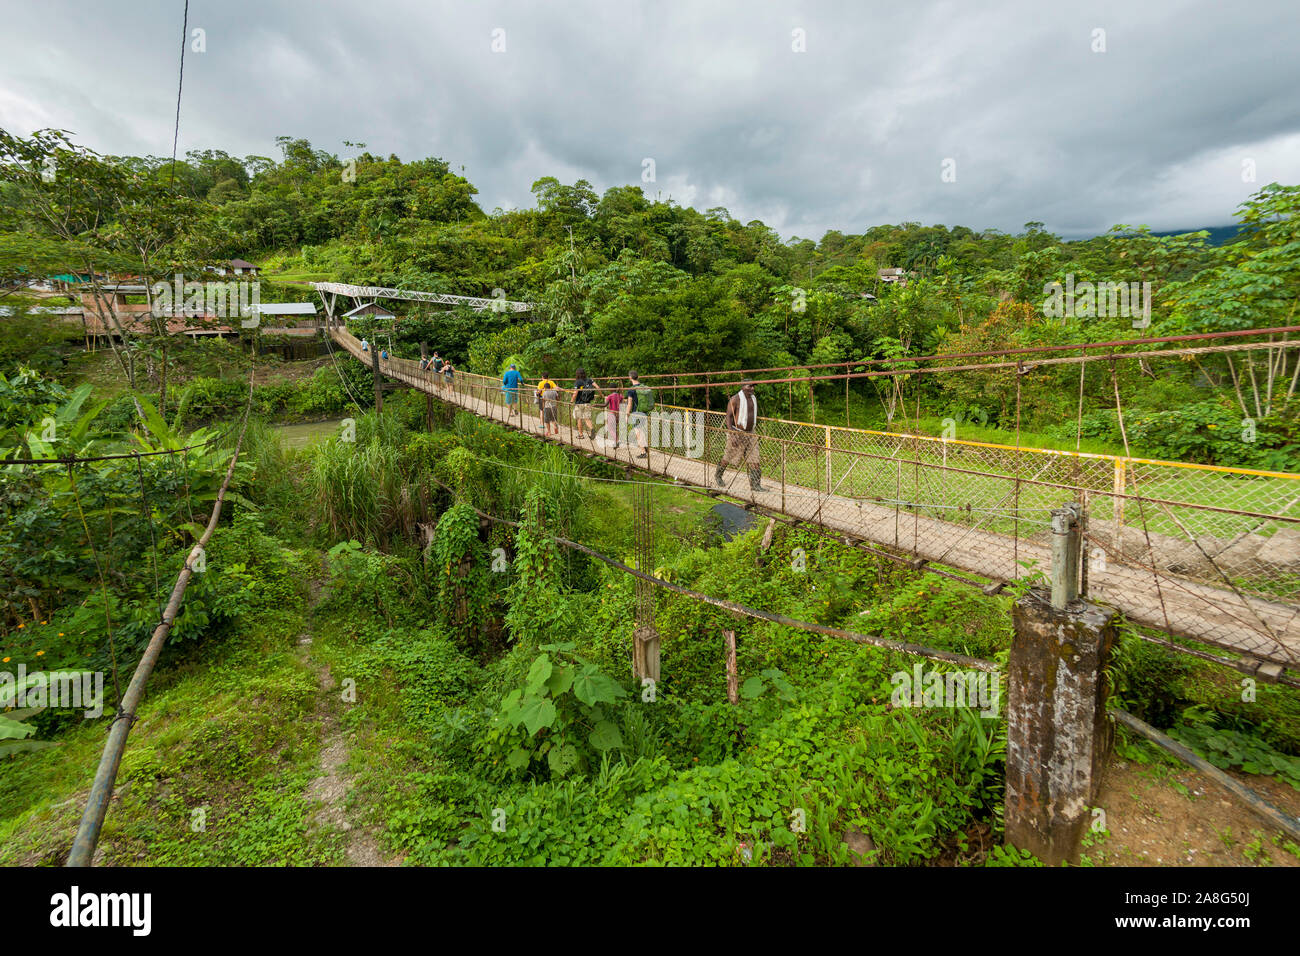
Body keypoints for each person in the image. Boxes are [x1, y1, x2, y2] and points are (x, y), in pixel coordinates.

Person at [714, 381, 765, 491]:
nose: (752, 388)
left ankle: (755, 485)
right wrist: (732, 435)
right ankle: (718, 476)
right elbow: (728, 417)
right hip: (737, 433)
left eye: (753, 386)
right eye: (750, 386)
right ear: (743, 387)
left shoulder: (753, 398)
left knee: (755, 459)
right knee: (728, 457)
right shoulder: (735, 399)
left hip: (751, 433)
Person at [626, 371, 654, 459]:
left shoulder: (631, 389)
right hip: (644, 412)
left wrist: (627, 415)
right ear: (637, 377)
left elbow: (629, 404)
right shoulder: (644, 387)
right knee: (640, 430)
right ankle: (644, 447)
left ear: (630, 378)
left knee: (638, 432)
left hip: (636, 413)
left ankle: (643, 451)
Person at [572, 367, 600, 440]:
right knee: (587, 419)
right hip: (587, 403)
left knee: (579, 419)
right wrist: (601, 395)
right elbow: (597, 387)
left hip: (579, 403)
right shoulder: (589, 380)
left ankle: (581, 435)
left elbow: (575, 393)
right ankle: (592, 429)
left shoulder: (578, 382)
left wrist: (571, 401)